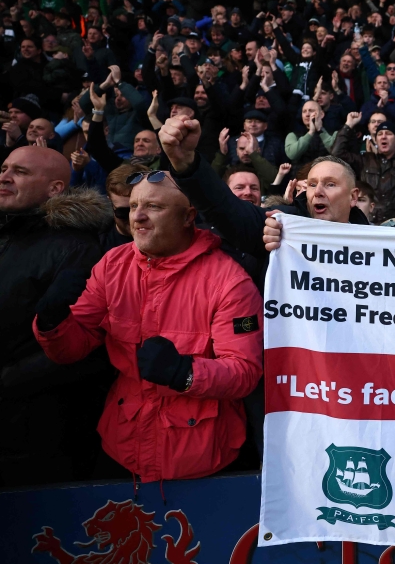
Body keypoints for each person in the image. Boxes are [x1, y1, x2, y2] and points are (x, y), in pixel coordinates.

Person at [33, 170, 263, 481]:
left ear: (187, 217)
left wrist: (186, 373)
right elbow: (73, 347)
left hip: (201, 455)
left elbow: (245, 371)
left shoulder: (229, 281)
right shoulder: (112, 264)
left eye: (154, 207)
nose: (138, 216)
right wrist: (52, 323)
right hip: (122, 445)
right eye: (133, 206)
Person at [0, 146, 113, 486]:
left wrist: (6, 380)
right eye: (4, 168)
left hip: (34, 434)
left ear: (55, 189)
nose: (4, 176)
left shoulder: (78, 249)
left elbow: (86, 345)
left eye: (20, 171)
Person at [332, 113, 395, 224]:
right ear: (376, 140)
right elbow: (337, 154)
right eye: (380, 134)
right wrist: (348, 125)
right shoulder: (365, 160)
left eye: (388, 133)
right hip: (366, 222)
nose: (383, 136)